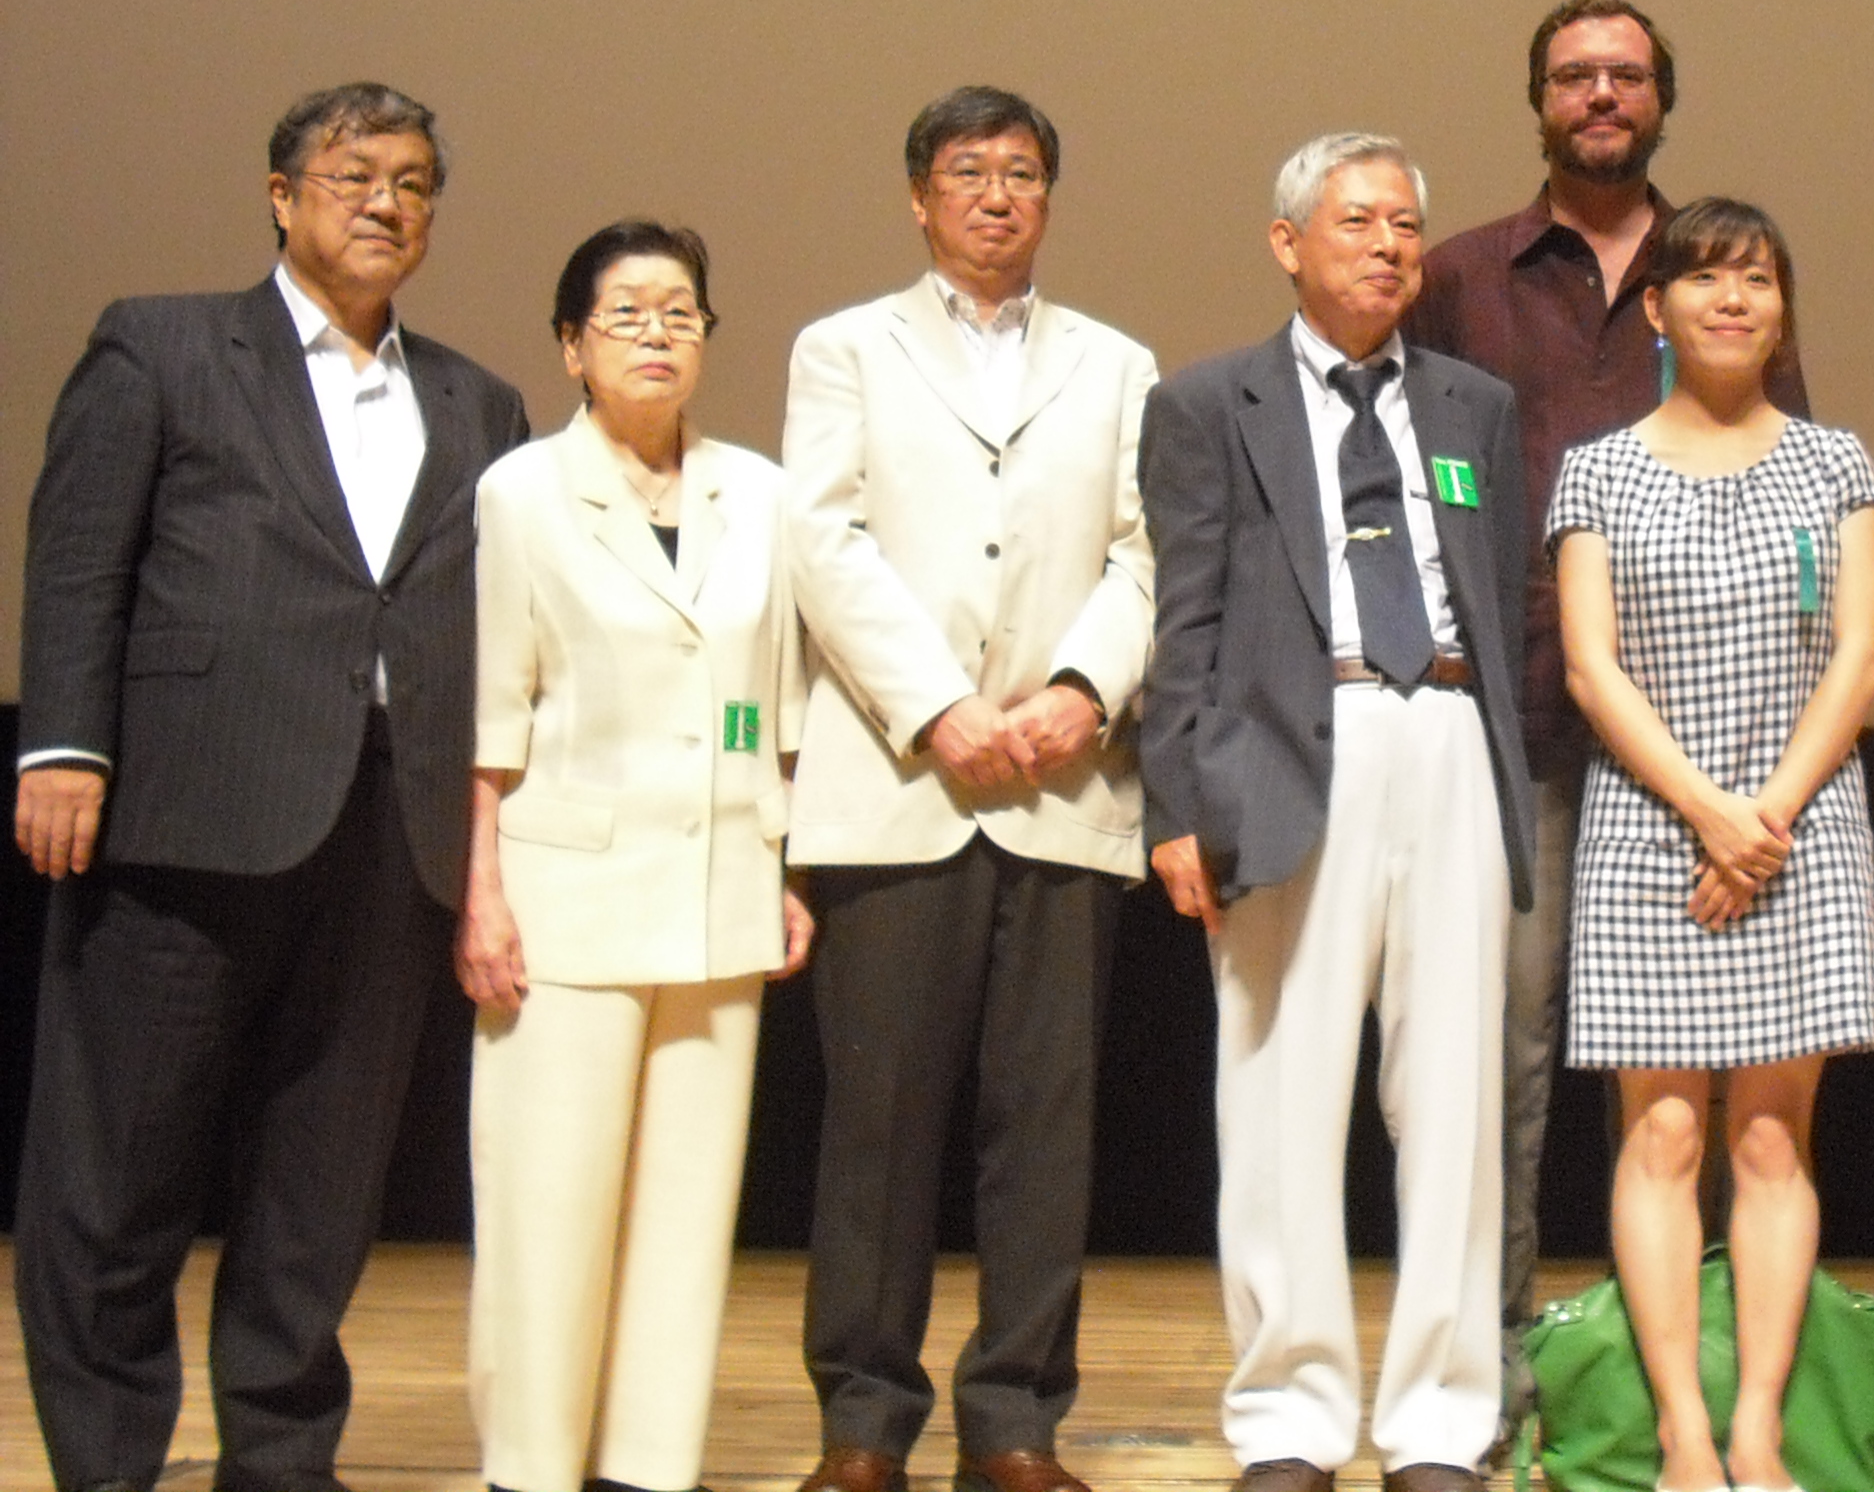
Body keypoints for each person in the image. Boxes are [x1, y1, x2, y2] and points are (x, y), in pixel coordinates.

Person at [15, 81, 532, 1492]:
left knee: (321, 1188)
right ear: (281, 192)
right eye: (356, 174)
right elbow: (78, 559)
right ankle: (107, 1463)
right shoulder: (164, 344)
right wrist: (63, 743)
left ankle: (281, 1460)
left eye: (415, 181)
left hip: (389, 832)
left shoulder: (476, 400)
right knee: (117, 1177)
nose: (386, 202)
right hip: (189, 814)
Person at [1404, 0, 1813, 1431]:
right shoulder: (1459, 275)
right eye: (1573, 74)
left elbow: (1799, 487)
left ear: (1661, 99)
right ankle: (1501, 1366)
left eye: (1625, 75)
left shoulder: (1726, 268)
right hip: (1515, 724)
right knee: (1510, 1057)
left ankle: (1677, 1385)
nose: (1599, 95)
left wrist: (1756, 782)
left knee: (1689, 1090)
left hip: (1716, 753)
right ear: (1538, 102)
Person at [1140, 131, 1536, 1492]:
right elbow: (1181, 619)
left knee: (1454, 1098)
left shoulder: (1474, 407)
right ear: (1286, 242)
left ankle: (1440, 1418)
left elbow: (1495, 593)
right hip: (1288, 745)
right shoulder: (1208, 405)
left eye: (1407, 226)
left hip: (1448, 740)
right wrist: (1178, 799)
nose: (1388, 245)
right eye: (1358, 221)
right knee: (1278, 1096)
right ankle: (1290, 1419)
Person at [780, 87, 1161, 1492]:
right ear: (919, 197)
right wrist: (939, 710)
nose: (995, 194)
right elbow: (823, 539)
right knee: (879, 1121)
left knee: (1043, 1123)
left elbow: (1148, 552)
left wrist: (1075, 692)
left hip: (1065, 789)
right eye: (966, 172)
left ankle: (1014, 1421)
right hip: (899, 783)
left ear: (1049, 198)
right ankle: (863, 1424)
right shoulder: (842, 350)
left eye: (1020, 173)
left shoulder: (1119, 363)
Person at [462, 219, 817, 1492]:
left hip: (721, 890)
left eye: (681, 312)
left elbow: (776, 710)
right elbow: (493, 717)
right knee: (549, 1208)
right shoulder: (520, 491)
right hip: (565, 896)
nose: (658, 333)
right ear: (570, 345)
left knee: (686, 1214)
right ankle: (533, 1466)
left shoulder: (761, 494)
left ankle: (646, 1468)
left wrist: (786, 867)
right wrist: (483, 891)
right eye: (626, 314)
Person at [1548, 197, 1874, 1492]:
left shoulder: (1835, 460)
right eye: (1705, 278)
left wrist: (1767, 820)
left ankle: (1757, 1430)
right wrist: (1710, 813)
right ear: (1657, 309)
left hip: (1803, 827)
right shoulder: (1598, 466)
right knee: (1665, 1136)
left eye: (1757, 278)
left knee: (1770, 1139)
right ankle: (1686, 1437)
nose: (1732, 299)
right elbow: (1590, 667)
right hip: (1651, 829)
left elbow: (1859, 653)